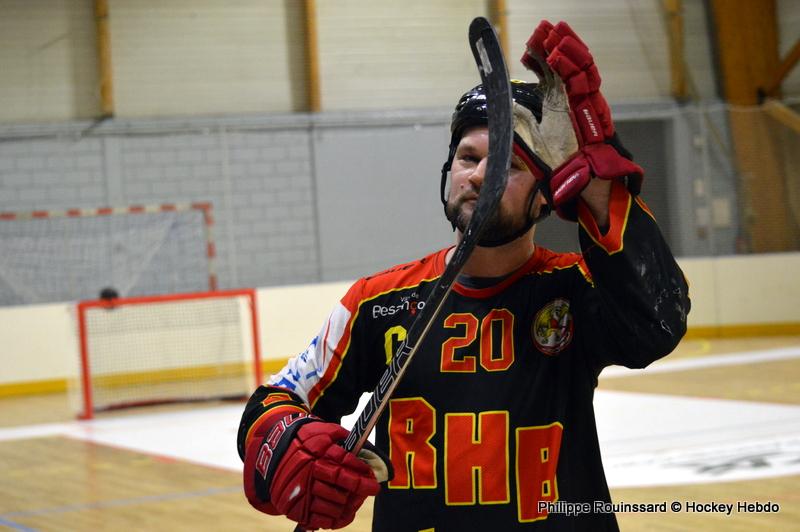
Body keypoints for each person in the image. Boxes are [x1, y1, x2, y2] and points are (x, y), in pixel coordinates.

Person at [237, 20, 690, 531]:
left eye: (507, 166)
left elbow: (658, 324)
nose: (478, 175)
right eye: (467, 158)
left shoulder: (576, 290)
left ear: (546, 194)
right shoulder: (378, 302)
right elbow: (275, 400)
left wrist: (599, 192)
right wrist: (288, 444)